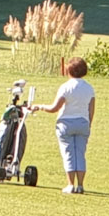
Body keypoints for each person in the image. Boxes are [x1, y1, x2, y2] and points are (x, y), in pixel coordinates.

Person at [30, 56, 96, 194]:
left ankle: (70, 184)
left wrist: (40, 106)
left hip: (66, 123)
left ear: (69, 71)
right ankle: (80, 185)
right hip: (83, 122)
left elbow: (55, 108)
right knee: (80, 154)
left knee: (68, 154)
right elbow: (91, 109)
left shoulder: (65, 88)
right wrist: (88, 123)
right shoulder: (89, 88)